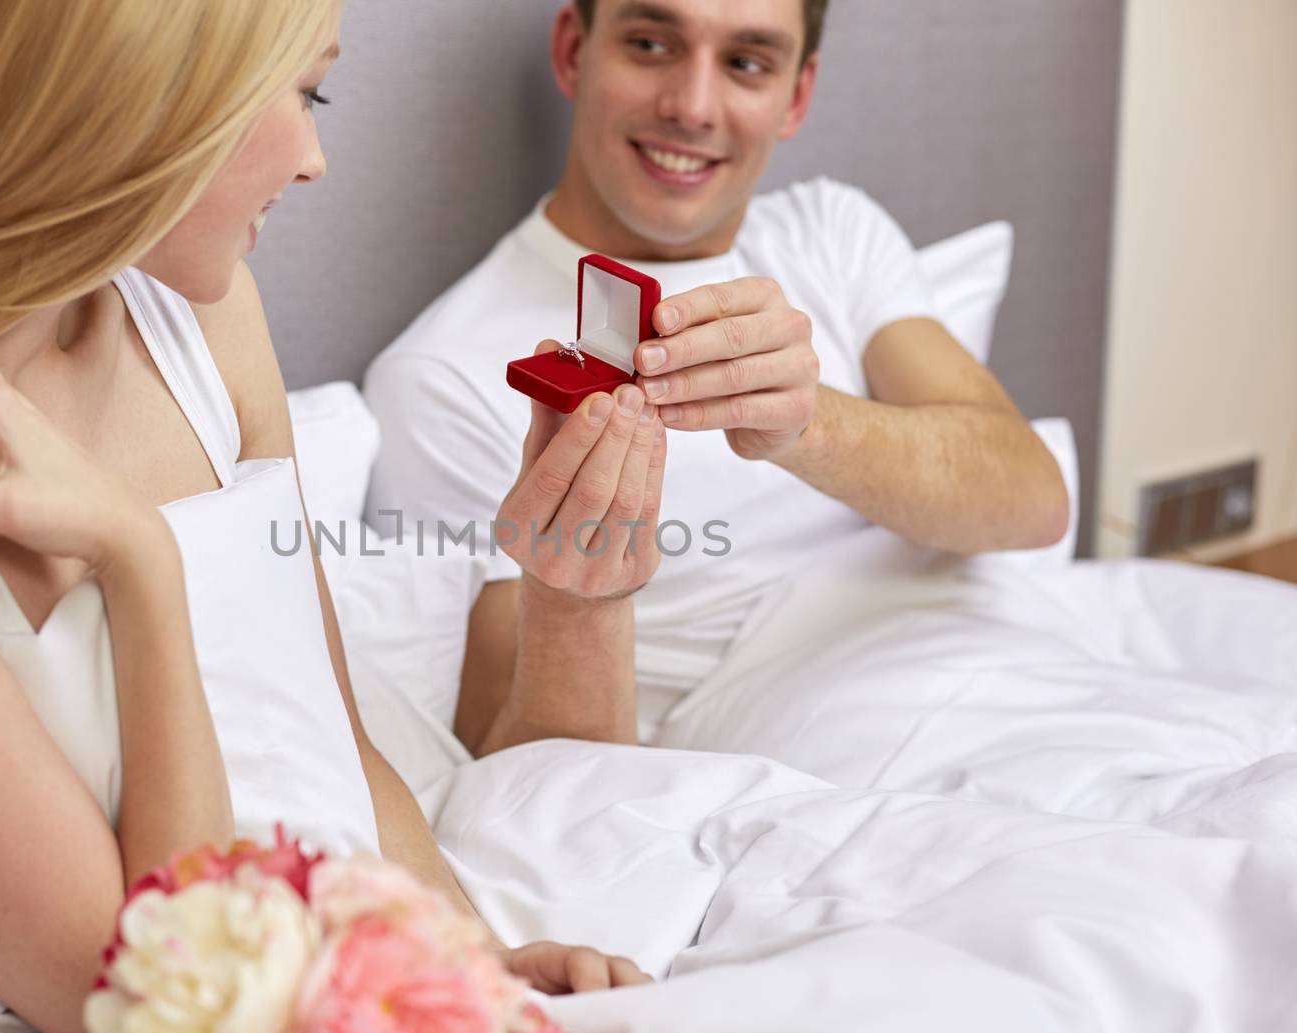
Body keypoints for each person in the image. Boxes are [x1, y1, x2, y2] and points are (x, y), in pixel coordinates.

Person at [0, 0, 646, 1033]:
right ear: (131, 95)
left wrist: (458, 967)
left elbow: (332, 740)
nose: (316, 157)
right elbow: (156, 1012)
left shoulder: (201, 312)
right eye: (297, 93)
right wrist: (143, 564)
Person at [364, 0, 1071, 754]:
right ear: (574, 51)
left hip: (1011, 691)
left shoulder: (832, 234)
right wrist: (579, 601)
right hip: (807, 756)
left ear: (795, 96)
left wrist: (809, 425)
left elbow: (1033, 501)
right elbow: (519, 768)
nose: (692, 107)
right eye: (649, 44)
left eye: (746, 63)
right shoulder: (444, 378)